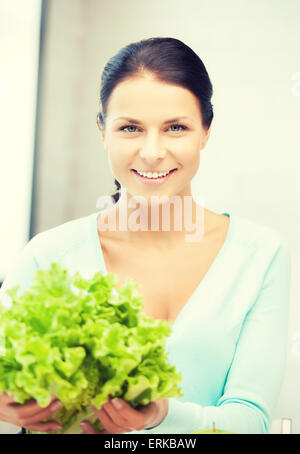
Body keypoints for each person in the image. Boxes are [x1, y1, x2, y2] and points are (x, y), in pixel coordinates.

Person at [0, 37, 291, 435]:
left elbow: (251, 420)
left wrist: (163, 416)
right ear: (103, 131)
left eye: (175, 127)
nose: (152, 152)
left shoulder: (260, 255)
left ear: (205, 131)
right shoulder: (46, 256)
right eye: (130, 128)